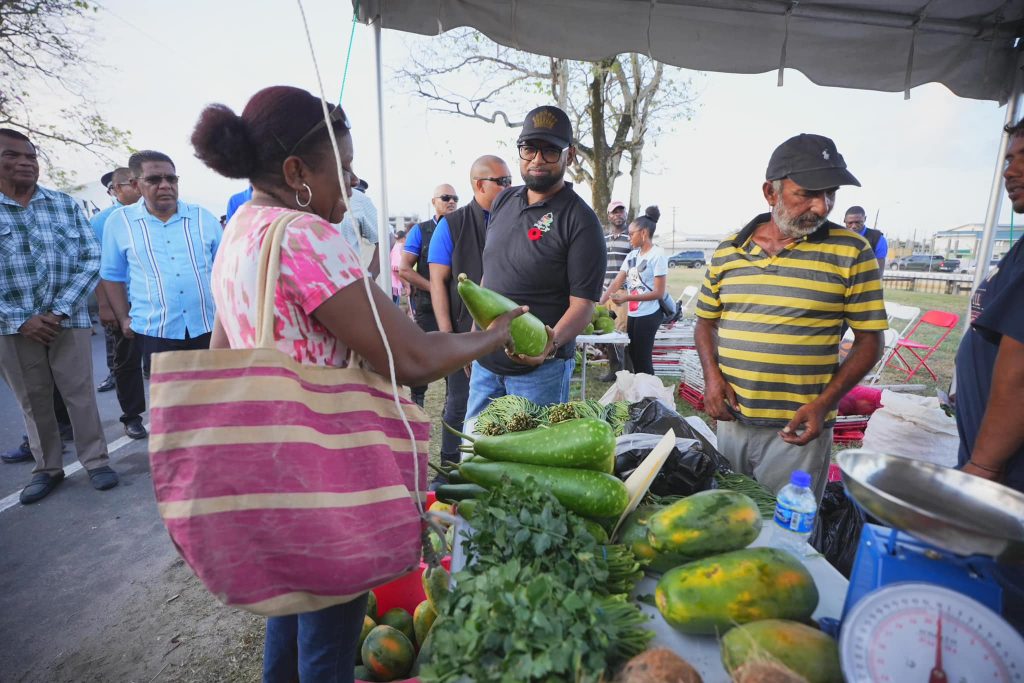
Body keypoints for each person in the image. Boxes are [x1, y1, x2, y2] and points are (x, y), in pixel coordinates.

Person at [190, 84, 522, 683]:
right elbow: (414, 356)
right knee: (330, 642)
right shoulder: (305, 236)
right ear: (297, 172)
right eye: (342, 169)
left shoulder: (241, 230)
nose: (352, 183)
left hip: (273, 467)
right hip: (325, 474)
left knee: (289, 616)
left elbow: (222, 354)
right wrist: (494, 335)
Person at [695, 134, 886, 502]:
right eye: (808, 194)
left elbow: (870, 340)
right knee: (729, 520)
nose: (821, 206)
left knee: (785, 539)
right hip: (733, 421)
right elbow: (705, 321)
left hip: (798, 431)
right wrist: (712, 378)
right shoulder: (729, 251)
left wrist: (825, 402)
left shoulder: (852, 251)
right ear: (771, 192)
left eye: (830, 194)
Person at [0, 128, 120, 503]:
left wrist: (60, 309)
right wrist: (22, 317)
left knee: (80, 393)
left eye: (31, 156)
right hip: (13, 326)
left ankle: (96, 460)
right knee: (32, 398)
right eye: (12, 155)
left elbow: (90, 257)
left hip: (67, 320)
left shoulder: (63, 204)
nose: (24, 162)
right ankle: (47, 467)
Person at [465, 105, 607, 417]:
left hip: (541, 372)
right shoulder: (503, 200)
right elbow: (490, 276)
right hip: (486, 364)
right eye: (529, 149)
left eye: (550, 151)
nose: (537, 159)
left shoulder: (580, 220)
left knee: (525, 463)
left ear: (569, 156)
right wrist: (474, 339)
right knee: (475, 453)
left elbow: (583, 305)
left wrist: (550, 345)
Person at [427, 154, 512, 478]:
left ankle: (489, 470)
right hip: (465, 332)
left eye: (509, 180)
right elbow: (437, 281)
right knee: (459, 402)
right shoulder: (452, 224)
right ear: (479, 185)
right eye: (501, 181)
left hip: (507, 330)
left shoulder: (515, 217)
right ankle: (450, 467)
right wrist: (451, 338)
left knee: (502, 406)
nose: (509, 186)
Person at [100, 151, 222, 375]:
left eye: (171, 179)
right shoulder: (119, 223)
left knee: (216, 397)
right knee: (172, 402)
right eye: (154, 179)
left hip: (208, 325)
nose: (165, 185)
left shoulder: (203, 218)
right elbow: (112, 274)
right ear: (136, 185)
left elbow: (226, 270)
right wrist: (124, 317)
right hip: (156, 330)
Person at [955, 118, 1024, 494]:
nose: (1010, 171)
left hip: (1006, 478)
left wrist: (983, 465)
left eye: (1023, 157)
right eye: (1008, 160)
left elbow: (1021, 372)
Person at [91, 167, 148, 439]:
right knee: (126, 363)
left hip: (154, 303)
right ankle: (132, 417)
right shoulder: (103, 221)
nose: (136, 188)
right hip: (123, 304)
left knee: (164, 362)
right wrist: (106, 306)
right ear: (116, 190)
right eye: (130, 184)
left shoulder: (153, 214)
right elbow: (99, 267)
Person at [400, 184, 459, 406]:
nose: (451, 201)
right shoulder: (420, 230)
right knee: (423, 356)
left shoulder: (461, 226)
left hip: (456, 306)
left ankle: (451, 406)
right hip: (426, 306)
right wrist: (434, 288)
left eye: (455, 197)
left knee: (453, 357)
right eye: (445, 197)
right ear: (434, 201)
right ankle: (417, 402)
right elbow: (405, 269)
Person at [600, 206, 667, 376]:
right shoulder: (632, 256)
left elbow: (659, 292)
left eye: (631, 234)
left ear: (643, 233)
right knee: (635, 358)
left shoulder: (657, 255)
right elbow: (617, 281)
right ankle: (639, 396)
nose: (629, 238)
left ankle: (650, 398)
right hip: (635, 314)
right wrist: (600, 302)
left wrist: (626, 298)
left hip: (650, 314)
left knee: (643, 360)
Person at [599, 199, 632, 380]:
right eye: (615, 212)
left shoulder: (631, 240)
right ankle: (614, 370)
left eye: (621, 211)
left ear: (625, 215)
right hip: (604, 292)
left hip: (622, 293)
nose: (618, 215)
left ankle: (625, 373)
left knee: (621, 332)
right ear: (609, 216)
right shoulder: (603, 240)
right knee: (606, 331)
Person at [335, 178, 381, 277]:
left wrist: (370, 277)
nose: (354, 180)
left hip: (348, 279)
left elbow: (386, 239)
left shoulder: (358, 200)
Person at [843, 205, 887, 273]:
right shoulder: (838, 238)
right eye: (850, 223)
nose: (854, 226)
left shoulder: (877, 239)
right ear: (844, 221)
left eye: (858, 222)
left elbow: (878, 272)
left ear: (865, 219)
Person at [389, 229, 407, 304]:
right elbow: (396, 268)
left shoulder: (395, 247)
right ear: (403, 239)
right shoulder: (399, 247)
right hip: (394, 285)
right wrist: (406, 284)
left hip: (393, 284)